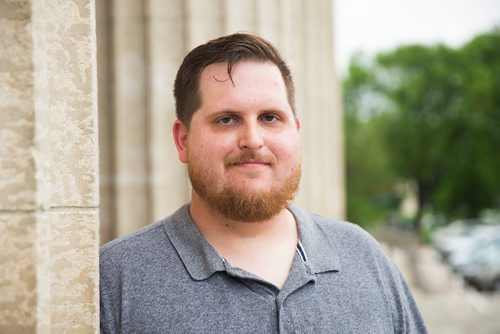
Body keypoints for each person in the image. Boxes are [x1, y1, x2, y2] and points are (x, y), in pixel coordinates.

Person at [100, 33, 427, 333]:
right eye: (226, 119)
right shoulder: (114, 281)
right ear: (182, 140)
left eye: (270, 118)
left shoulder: (364, 258)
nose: (253, 140)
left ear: (295, 131)